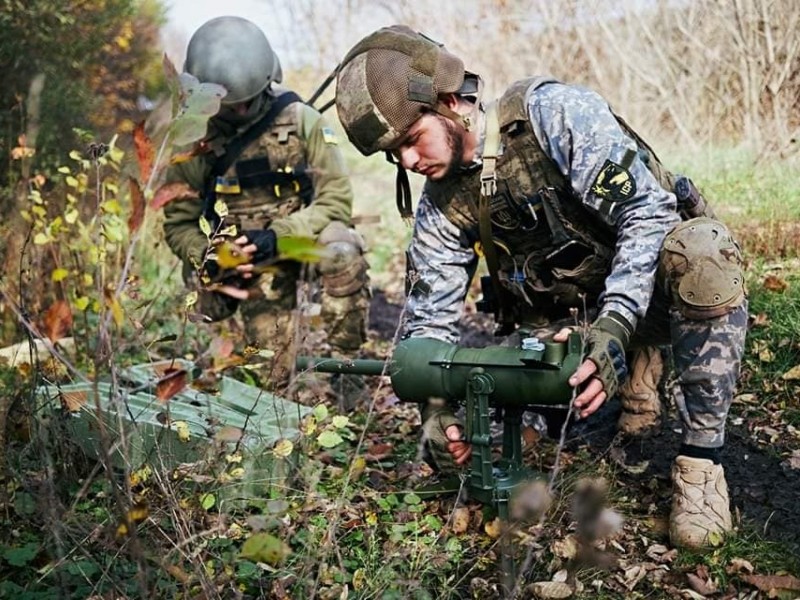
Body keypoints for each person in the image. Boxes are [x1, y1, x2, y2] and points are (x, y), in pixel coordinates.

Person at [334, 25, 747, 549]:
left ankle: (701, 466)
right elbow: (427, 329)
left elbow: (646, 213)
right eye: (395, 157)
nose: (409, 163)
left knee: (704, 254)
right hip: (563, 328)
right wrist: (434, 416)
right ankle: (634, 378)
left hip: (648, 298)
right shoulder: (442, 205)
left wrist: (617, 324)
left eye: (411, 141)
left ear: (449, 102)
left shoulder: (551, 115)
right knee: (505, 407)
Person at [162, 16, 370, 400]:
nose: (241, 114)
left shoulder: (302, 120)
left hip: (294, 244)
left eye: (248, 103)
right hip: (238, 264)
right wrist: (211, 256)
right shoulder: (192, 141)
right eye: (231, 107)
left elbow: (336, 198)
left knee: (342, 250)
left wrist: (280, 235)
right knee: (271, 380)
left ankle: (348, 366)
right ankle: (237, 360)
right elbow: (178, 223)